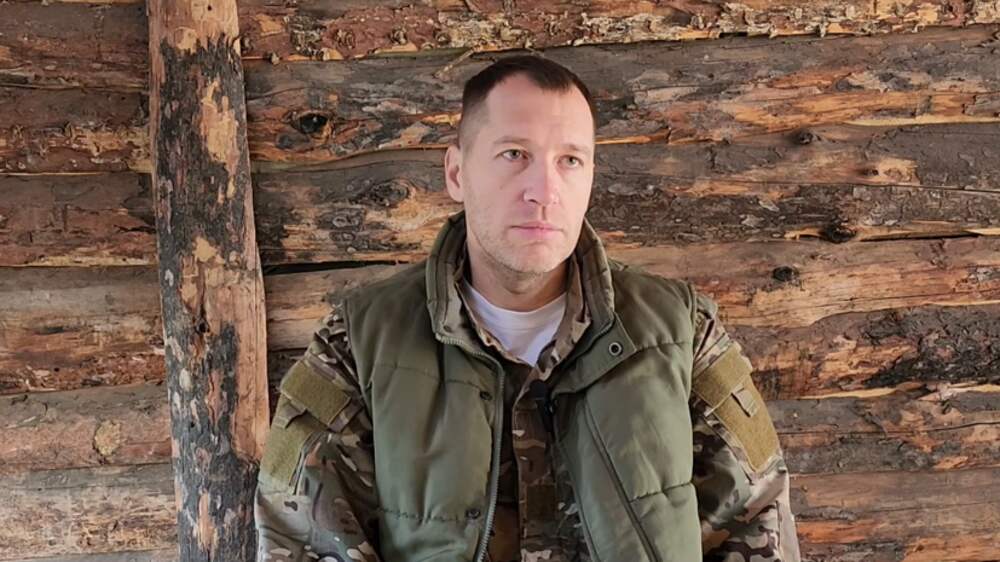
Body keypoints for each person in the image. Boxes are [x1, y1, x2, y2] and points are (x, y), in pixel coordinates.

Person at [254, 54, 801, 562]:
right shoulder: (358, 343)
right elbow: (301, 539)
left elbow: (757, 521)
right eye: (514, 154)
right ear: (457, 173)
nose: (544, 189)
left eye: (570, 160)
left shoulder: (683, 332)